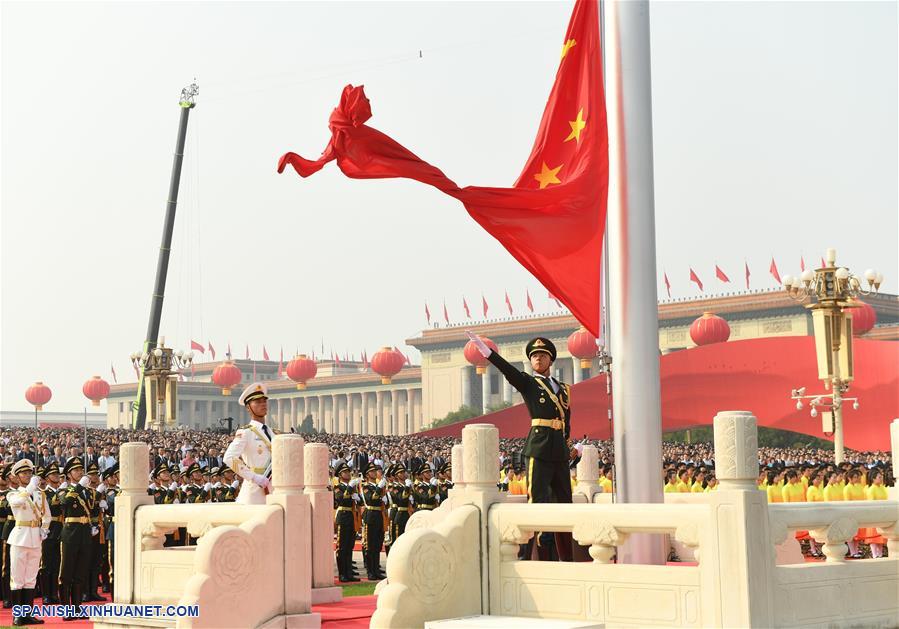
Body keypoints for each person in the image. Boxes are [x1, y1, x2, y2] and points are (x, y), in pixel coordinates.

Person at [467, 332, 574, 562]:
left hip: (559, 450)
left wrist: (570, 446)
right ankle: (538, 556)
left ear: (550, 360)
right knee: (538, 501)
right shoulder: (528, 382)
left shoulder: (564, 389)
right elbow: (508, 370)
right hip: (539, 448)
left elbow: (566, 420)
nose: (537, 359)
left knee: (565, 503)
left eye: (542, 355)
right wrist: (488, 354)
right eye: (534, 356)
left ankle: (566, 558)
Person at [7, 459, 50, 626]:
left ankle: (28, 614)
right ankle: (18, 615)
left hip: (35, 537)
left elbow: (47, 515)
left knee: (31, 578)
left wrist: (44, 529)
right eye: (24, 474)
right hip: (20, 537)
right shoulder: (13, 494)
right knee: (17, 578)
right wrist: (30, 487)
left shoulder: (40, 494)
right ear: (17, 477)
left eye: (29, 473)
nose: (27, 476)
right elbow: (18, 502)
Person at [223, 383, 274, 505]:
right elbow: (229, 458)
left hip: (273, 488)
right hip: (255, 490)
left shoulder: (272, 432)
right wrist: (253, 477)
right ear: (248, 407)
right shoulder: (246, 432)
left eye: (264, 401)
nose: (262, 404)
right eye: (257, 402)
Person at [58, 457, 92, 620]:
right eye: (76, 470)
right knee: (66, 573)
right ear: (69, 474)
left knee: (80, 572)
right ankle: (66, 610)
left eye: (80, 470)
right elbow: (65, 502)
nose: (80, 472)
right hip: (70, 534)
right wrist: (79, 487)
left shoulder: (85, 491)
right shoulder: (64, 489)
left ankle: (77, 608)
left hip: (84, 533)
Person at [360, 462, 386, 580]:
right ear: (367, 474)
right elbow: (371, 499)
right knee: (369, 545)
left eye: (376, 471)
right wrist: (379, 489)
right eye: (372, 471)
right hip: (370, 515)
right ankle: (370, 571)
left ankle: (376, 569)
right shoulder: (365, 486)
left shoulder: (376, 486)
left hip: (378, 515)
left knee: (377, 545)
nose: (375, 473)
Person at [333, 463, 359, 583]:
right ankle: (342, 573)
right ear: (340, 474)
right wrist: (349, 489)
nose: (348, 474)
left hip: (351, 516)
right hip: (342, 516)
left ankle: (349, 573)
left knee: (349, 546)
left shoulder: (351, 487)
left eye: (348, 472)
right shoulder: (338, 487)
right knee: (342, 547)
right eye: (345, 472)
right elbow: (341, 500)